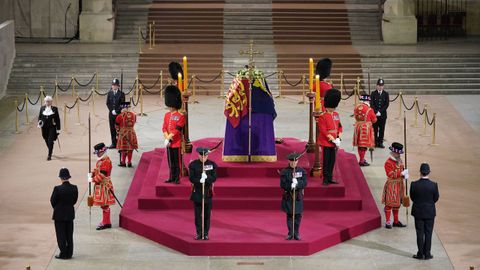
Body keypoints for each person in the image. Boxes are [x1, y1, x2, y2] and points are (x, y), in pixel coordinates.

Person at [410, 163, 439, 260]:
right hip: (430, 212)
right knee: (428, 233)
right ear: (429, 172)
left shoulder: (414, 184)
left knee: (419, 233)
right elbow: (436, 198)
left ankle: (420, 254)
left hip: (418, 211)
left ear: (420, 172)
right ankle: (427, 254)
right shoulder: (434, 185)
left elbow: (412, 197)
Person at [188, 147, 217, 240]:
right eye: (202, 156)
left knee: (207, 215)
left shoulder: (212, 165)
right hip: (197, 192)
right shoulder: (193, 165)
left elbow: (214, 178)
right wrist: (200, 180)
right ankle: (199, 233)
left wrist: (207, 177)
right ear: (198, 155)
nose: (204, 158)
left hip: (207, 193)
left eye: (205, 156)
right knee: (198, 215)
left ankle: (206, 233)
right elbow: (191, 178)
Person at [50, 167, 78, 260]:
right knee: (69, 234)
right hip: (70, 214)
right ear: (68, 177)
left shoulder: (57, 189)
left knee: (61, 234)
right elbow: (74, 201)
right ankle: (69, 253)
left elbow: (53, 201)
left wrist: (58, 208)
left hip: (59, 215)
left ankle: (63, 253)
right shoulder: (74, 188)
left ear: (61, 177)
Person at [317, 88, 342, 186]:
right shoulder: (323, 116)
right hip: (326, 142)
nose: (333, 109)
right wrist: (333, 139)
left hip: (335, 141)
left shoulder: (336, 114)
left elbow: (339, 127)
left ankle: (330, 177)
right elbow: (323, 131)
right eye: (332, 107)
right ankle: (325, 178)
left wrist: (339, 138)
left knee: (332, 161)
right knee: (326, 161)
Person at [280, 152, 307, 240]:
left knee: (298, 215)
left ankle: (296, 233)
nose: (293, 163)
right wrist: (290, 185)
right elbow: (282, 185)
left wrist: (297, 183)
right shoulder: (284, 172)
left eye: (295, 162)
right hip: (289, 196)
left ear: (297, 162)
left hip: (298, 196)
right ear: (289, 161)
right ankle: (290, 233)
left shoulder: (302, 171)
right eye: (291, 162)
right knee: (290, 215)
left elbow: (305, 183)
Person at [88, 143, 116, 230]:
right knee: (104, 205)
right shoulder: (101, 160)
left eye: (98, 153)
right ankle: (106, 222)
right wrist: (92, 174)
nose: (97, 154)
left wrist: (92, 179)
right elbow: (97, 170)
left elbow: (102, 175)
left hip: (104, 185)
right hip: (101, 186)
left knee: (105, 205)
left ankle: (106, 222)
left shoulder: (106, 162)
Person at [382, 142, 408, 229]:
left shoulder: (399, 160)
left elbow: (402, 169)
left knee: (397, 204)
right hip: (392, 185)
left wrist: (405, 174)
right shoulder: (388, 162)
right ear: (394, 152)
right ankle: (388, 221)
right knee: (389, 203)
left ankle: (396, 221)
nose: (399, 155)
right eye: (398, 153)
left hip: (399, 185)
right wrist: (401, 173)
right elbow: (390, 174)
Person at [163, 85, 185, 184]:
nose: (170, 107)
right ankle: (171, 176)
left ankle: (177, 178)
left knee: (177, 162)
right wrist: (166, 138)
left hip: (176, 143)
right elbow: (164, 128)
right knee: (170, 161)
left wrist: (169, 138)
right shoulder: (166, 115)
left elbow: (177, 130)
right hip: (169, 143)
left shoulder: (180, 116)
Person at [353, 93, 377, 166]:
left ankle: (361, 158)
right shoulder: (369, 109)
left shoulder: (356, 107)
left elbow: (355, 116)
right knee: (363, 145)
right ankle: (362, 160)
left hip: (358, 127)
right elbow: (374, 120)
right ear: (368, 100)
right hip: (365, 129)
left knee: (360, 145)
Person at [115, 101, 138, 167]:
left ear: (123, 108)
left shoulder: (120, 116)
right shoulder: (134, 115)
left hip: (123, 133)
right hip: (131, 133)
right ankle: (129, 162)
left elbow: (116, 125)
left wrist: (118, 133)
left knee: (123, 149)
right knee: (130, 148)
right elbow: (134, 123)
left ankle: (123, 162)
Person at [38, 96, 61, 160]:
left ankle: (49, 155)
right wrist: (39, 122)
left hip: (52, 127)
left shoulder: (55, 109)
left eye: (48, 101)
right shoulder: (42, 108)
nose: (47, 103)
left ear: (51, 102)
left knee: (50, 141)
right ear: (45, 102)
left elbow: (57, 119)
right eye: (46, 101)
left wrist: (58, 129)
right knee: (45, 138)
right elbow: (39, 117)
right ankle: (50, 148)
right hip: (44, 127)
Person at [370, 78, 389, 148]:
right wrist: (376, 112)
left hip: (383, 115)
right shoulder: (373, 94)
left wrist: (380, 111)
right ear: (376, 86)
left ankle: (380, 142)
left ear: (383, 86)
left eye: (381, 85)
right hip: (374, 115)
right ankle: (375, 142)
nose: (380, 87)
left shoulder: (386, 94)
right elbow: (371, 104)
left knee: (382, 129)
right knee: (375, 129)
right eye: (379, 85)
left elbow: (386, 104)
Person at [106, 78, 125, 149]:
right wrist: (111, 110)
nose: (114, 86)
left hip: (118, 114)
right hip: (111, 114)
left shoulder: (121, 94)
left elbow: (122, 105)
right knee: (112, 129)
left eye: (115, 85)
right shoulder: (109, 93)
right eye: (113, 85)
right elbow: (107, 103)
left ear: (118, 86)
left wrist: (116, 111)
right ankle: (114, 143)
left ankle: (120, 143)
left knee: (119, 129)